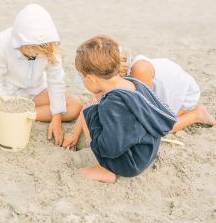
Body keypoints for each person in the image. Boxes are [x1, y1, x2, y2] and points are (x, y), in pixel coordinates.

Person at [0, 4, 82, 172]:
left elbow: (56, 82)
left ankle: (23, 116)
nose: (35, 54)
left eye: (38, 51)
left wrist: (56, 117)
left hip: (35, 92)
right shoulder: (3, 41)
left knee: (75, 106)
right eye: (30, 51)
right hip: (5, 92)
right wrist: (3, 108)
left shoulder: (49, 46)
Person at [73, 35, 215, 183]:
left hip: (130, 164)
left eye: (82, 77)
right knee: (96, 111)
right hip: (147, 152)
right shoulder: (133, 83)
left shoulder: (112, 105)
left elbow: (110, 148)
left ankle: (103, 170)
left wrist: (92, 117)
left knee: (87, 112)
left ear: (92, 79)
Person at [62, 40, 215, 148]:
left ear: (93, 78)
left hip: (180, 92)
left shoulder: (139, 71)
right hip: (157, 91)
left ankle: (197, 114)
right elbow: (95, 100)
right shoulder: (113, 77)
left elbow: (145, 110)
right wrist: (75, 132)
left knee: (162, 128)